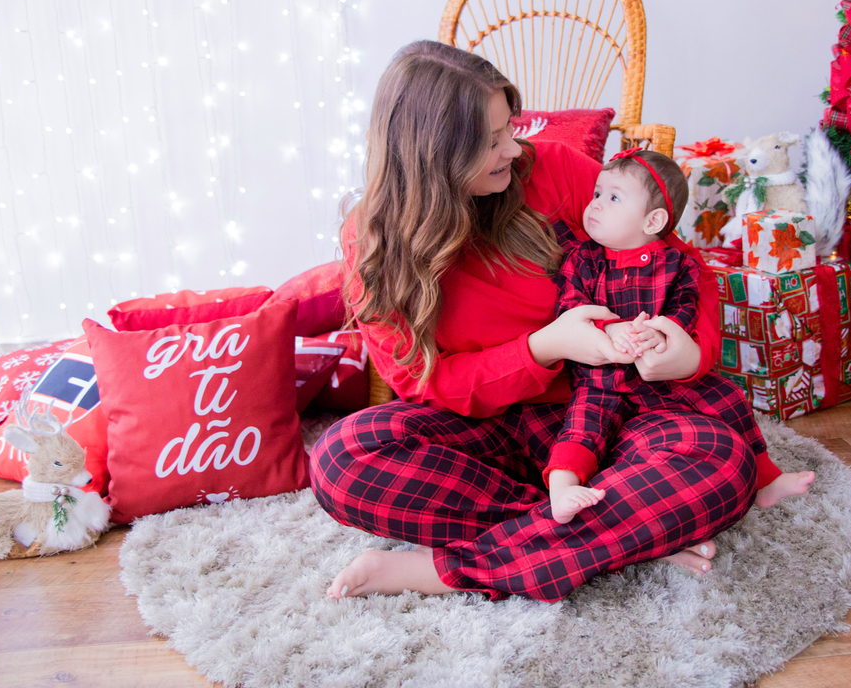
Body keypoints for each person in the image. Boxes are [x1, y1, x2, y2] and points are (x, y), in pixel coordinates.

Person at [310, 40, 758, 603]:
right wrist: (542, 348)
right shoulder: (370, 239)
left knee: (720, 461)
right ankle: (617, 530)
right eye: (492, 141)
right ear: (434, 155)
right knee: (341, 461)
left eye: (509, 128)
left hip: (602, 419)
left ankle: (447, 571)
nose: (513, 149)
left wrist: (685, 350)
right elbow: (423, 384)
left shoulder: (557, 171)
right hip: (486, 435)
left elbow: (675, 263)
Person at [544, 148, 814, 524]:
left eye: (613, 198)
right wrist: (608, 329)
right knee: (583, 424)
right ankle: (562, 489)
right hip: (602, 377)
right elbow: (570, 307)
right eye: (597, 194)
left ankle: (766, 477)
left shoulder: (677, 264)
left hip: (659, 373)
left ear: (653, 220)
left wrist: (661, 336)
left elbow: (685, 309)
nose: (596, 205)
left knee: (726, 396)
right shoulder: (583, 259)